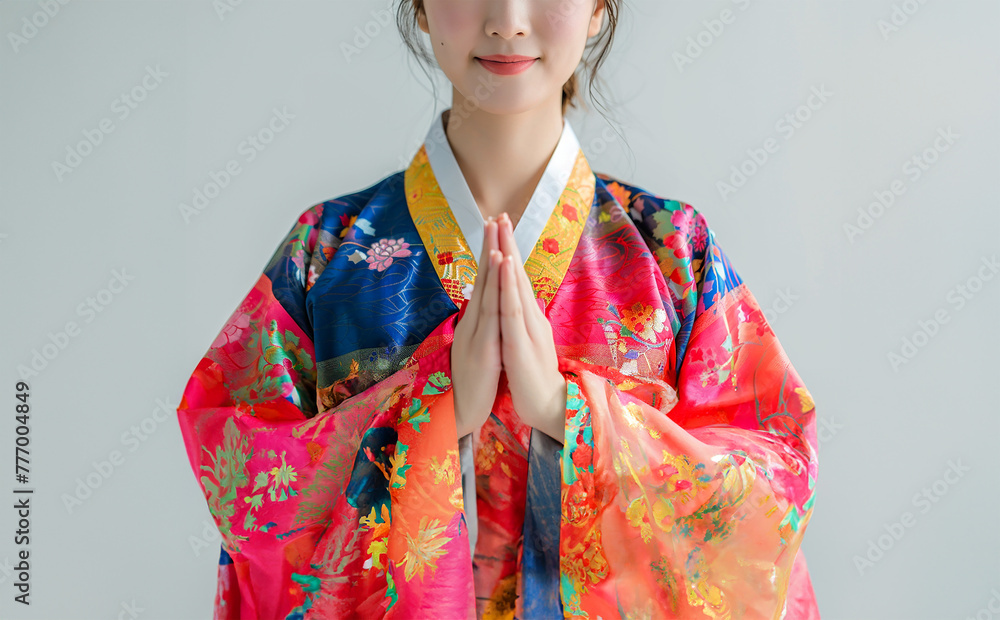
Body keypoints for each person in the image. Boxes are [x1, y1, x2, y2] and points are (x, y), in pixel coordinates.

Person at [175, 1, 820, 618]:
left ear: (600, 6)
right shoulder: (326, 253)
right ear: (421, 5)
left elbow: (772, 490)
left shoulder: (672, 252)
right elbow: (244, 479)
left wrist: (571, 416)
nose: (507, 20)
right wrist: (438, 402)